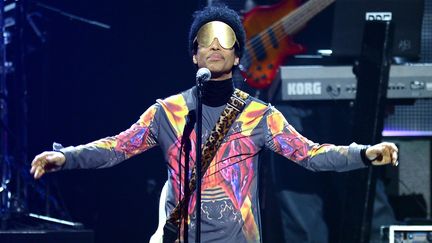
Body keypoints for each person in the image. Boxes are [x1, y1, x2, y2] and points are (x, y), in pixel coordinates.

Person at [30, 5, 398, 243]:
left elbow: (311, 155)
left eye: (226, 40)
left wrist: (365, 153)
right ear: (194, 54)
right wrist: (67, 157)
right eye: (207, 40)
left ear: (239, 55)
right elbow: (117, 147)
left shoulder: (259, 115)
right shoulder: (169, 113)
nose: (216, 46)